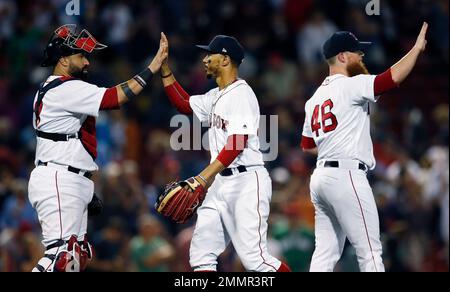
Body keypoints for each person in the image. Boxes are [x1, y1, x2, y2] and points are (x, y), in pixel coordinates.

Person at [28, 24, 168, 272]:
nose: (86, 63)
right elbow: (116, 98)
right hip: (60, 177)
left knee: (74, 259)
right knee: (61, 254)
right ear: (62, 59)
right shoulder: (64, 87)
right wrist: (152, 68)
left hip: (68, 176)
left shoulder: (58, 89)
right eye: (80, 55)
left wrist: (85, 188)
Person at [300, 23, 428, 272]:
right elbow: (392, 78)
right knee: (370, 252)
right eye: (357, 52)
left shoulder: (314, 98)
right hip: (346, 175)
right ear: (342, 56)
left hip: (321, 177)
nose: (361, 56)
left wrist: (332, 149)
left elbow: (307, 146)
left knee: (325, 254)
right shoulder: (351, 84)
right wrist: (416, 49)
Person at [159, 33, 291, 272]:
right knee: (200, 256)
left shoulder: (242, 93)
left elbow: (237, 142)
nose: (205, 59)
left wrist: (202, 178)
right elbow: (183, 103)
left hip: (246, 181)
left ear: (225, 59)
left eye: (210, 54)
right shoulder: (215, 95)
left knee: (256, 261)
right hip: (220, 183)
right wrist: (165, 69)